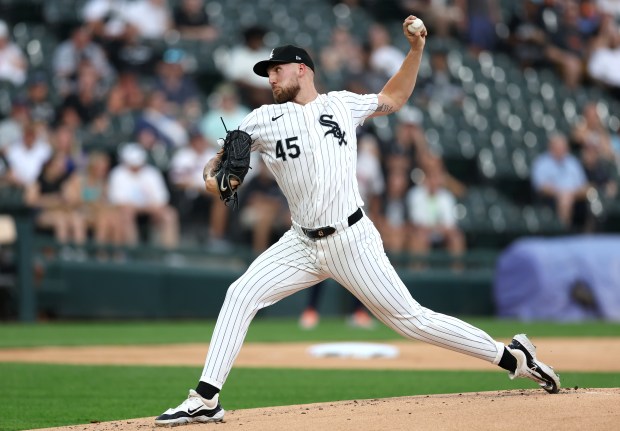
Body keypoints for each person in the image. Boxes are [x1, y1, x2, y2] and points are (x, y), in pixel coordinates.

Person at [155, 17, 560, 426]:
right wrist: (213, 180)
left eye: (276, 69)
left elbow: (393, 98)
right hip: (300, 243)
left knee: (413, 321)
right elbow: (218, 168)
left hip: (352, 239)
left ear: (302, 69)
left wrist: (416, 51)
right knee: (240, 295)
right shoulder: (260, 119)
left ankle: (513, 358)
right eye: (267, 73)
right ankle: (206, 398)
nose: (271, 78)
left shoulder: (342, 104)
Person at [531, 132, 590, 229]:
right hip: (551, 198)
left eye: (564, 147)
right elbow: (540, 186)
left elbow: (583, 185)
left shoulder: (573, 162)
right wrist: (560, 193)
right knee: (564, 199)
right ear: (551, 148)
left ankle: (588, 236)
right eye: (558, 147)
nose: (562, 150)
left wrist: (571, 194)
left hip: (574, 197)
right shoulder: (542, 163)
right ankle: (563, 231)